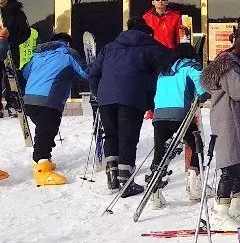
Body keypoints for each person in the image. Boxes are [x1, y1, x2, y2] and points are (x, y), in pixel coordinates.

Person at [88, 19, 170, 194]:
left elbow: (93, 73)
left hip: (106, 99)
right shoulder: (150, 46)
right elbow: (170, 61)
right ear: (147, 33)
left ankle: (112, 179)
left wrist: (98, 93)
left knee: (111, 136)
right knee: (128, 137)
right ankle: (126, 183)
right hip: (132, 97)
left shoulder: (109, 47)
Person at [201, 30, 240, 228]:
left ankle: (234, 209)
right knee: (230, 166)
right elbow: (239, 92)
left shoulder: (235, 62)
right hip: (230, 120)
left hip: (237, 119)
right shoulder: (229, 64)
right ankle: (220, 211)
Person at [19, 32, 90, 186]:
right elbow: (85, 73)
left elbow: (25, 72)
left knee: (43, 130)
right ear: (68, 43)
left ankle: (43, 160)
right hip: (49, 100)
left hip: (29, 99)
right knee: (47, 131)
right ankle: (42, 170)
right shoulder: (68, 53)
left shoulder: (38, 55)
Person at [151, 41, 207, 202]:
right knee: (196, 144)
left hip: (160, 114)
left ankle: (155, 191)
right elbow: (202, 88)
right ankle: (194, 179)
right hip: (181, 113)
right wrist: (203, 95)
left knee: (160, 152)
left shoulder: (164, 70)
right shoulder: (191, 66)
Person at [0, 0, 31, 115]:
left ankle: (12, 104)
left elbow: (26, 33)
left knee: (11, 77)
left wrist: (11, 39)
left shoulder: (17, 12)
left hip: (10, 50)